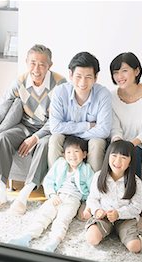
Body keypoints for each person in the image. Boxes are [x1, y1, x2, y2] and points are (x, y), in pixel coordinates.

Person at [0, 44, 67, 214]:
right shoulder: (20, 82)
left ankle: (24, 195)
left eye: (42, 64)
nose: (36, 69)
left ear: (50, 66)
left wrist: (35, 138)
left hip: (47, 130)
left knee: (45, 145)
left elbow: (57, 120)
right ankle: (1, 194)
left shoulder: (60, 84)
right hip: (24, 126)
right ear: (26, 62)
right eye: (32, 63)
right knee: (4, 137)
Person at [48, 51, 112, 220]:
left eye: (88, 77)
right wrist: (86, 125)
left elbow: (104, 130)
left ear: (96, 77)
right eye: (78, 76)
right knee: (55, 139)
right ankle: (57, 192)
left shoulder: (103, 94)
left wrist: (71, 128)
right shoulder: (60, 92)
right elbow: (55, 127)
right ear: (70, 75)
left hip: (92, 138)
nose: (83, 82)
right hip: (72, 136)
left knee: (97, 143)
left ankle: (92, 198)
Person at [9, 135, 94, 252]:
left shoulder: (86, 169)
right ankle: (27, 236)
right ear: (64, 155)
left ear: (84, 154)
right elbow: (49, 180)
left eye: (76, 152)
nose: (72, 155)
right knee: (43, 214)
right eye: (68, 152)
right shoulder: (60, 164)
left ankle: (53, 242)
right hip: (56, 196)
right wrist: (52, 195)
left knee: (62, 220)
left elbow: (93, 189)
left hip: (73, 200)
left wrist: (87, 205)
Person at [84, 140, 142, 253]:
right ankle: (107, 228)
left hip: (125, 218)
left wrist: (118, 214)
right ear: (108, 157)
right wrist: (97, 210)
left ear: (130, 162)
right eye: (114, 156)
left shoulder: (136, 182)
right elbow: (92, 198)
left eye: (123, 158)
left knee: (135, 247)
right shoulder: (98, 176)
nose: (117, 161)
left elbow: (137, 207)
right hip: (104, 216)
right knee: (92, 238)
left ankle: (132, 229)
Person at [109, 52, 142, 178]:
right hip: (120, 144)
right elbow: (115, 128)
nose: (119, 76)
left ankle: (133, 195)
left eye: (124, 71)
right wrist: (118, 144)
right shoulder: (111, 97)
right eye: (116, 72)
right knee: (109, 153)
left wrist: (130, 145)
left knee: (133, 153)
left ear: (137, 71)